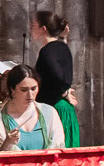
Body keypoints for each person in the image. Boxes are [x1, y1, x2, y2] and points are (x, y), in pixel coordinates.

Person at [0, 64, 66, 152]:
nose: (30, 95)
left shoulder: (49, 113)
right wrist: (7, 144)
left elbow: (58, 148)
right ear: (12, 90)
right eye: (24, 90)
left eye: (33, 89)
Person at [31, 10, 81, 148]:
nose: (31, 28)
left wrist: (65, 92)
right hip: (62, 108)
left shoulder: (47, 51)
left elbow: (58, 77)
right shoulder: (62, 46)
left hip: (55, 110)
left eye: (33, 25)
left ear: (43, 29)